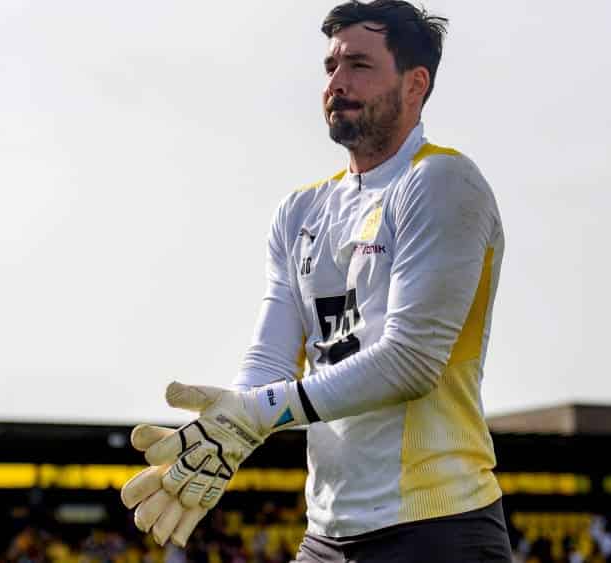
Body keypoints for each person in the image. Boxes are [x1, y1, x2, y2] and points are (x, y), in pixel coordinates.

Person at [121, 1, 510, 561]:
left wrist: (257, 412)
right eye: (330, 66)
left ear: (415, 84)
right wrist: (228, 427)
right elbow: (271, 360)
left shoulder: (442, 181)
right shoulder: (299, 211)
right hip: (327, 532)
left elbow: (410, 361)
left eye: (359, 65)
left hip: (437, 526)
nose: (336, 83)